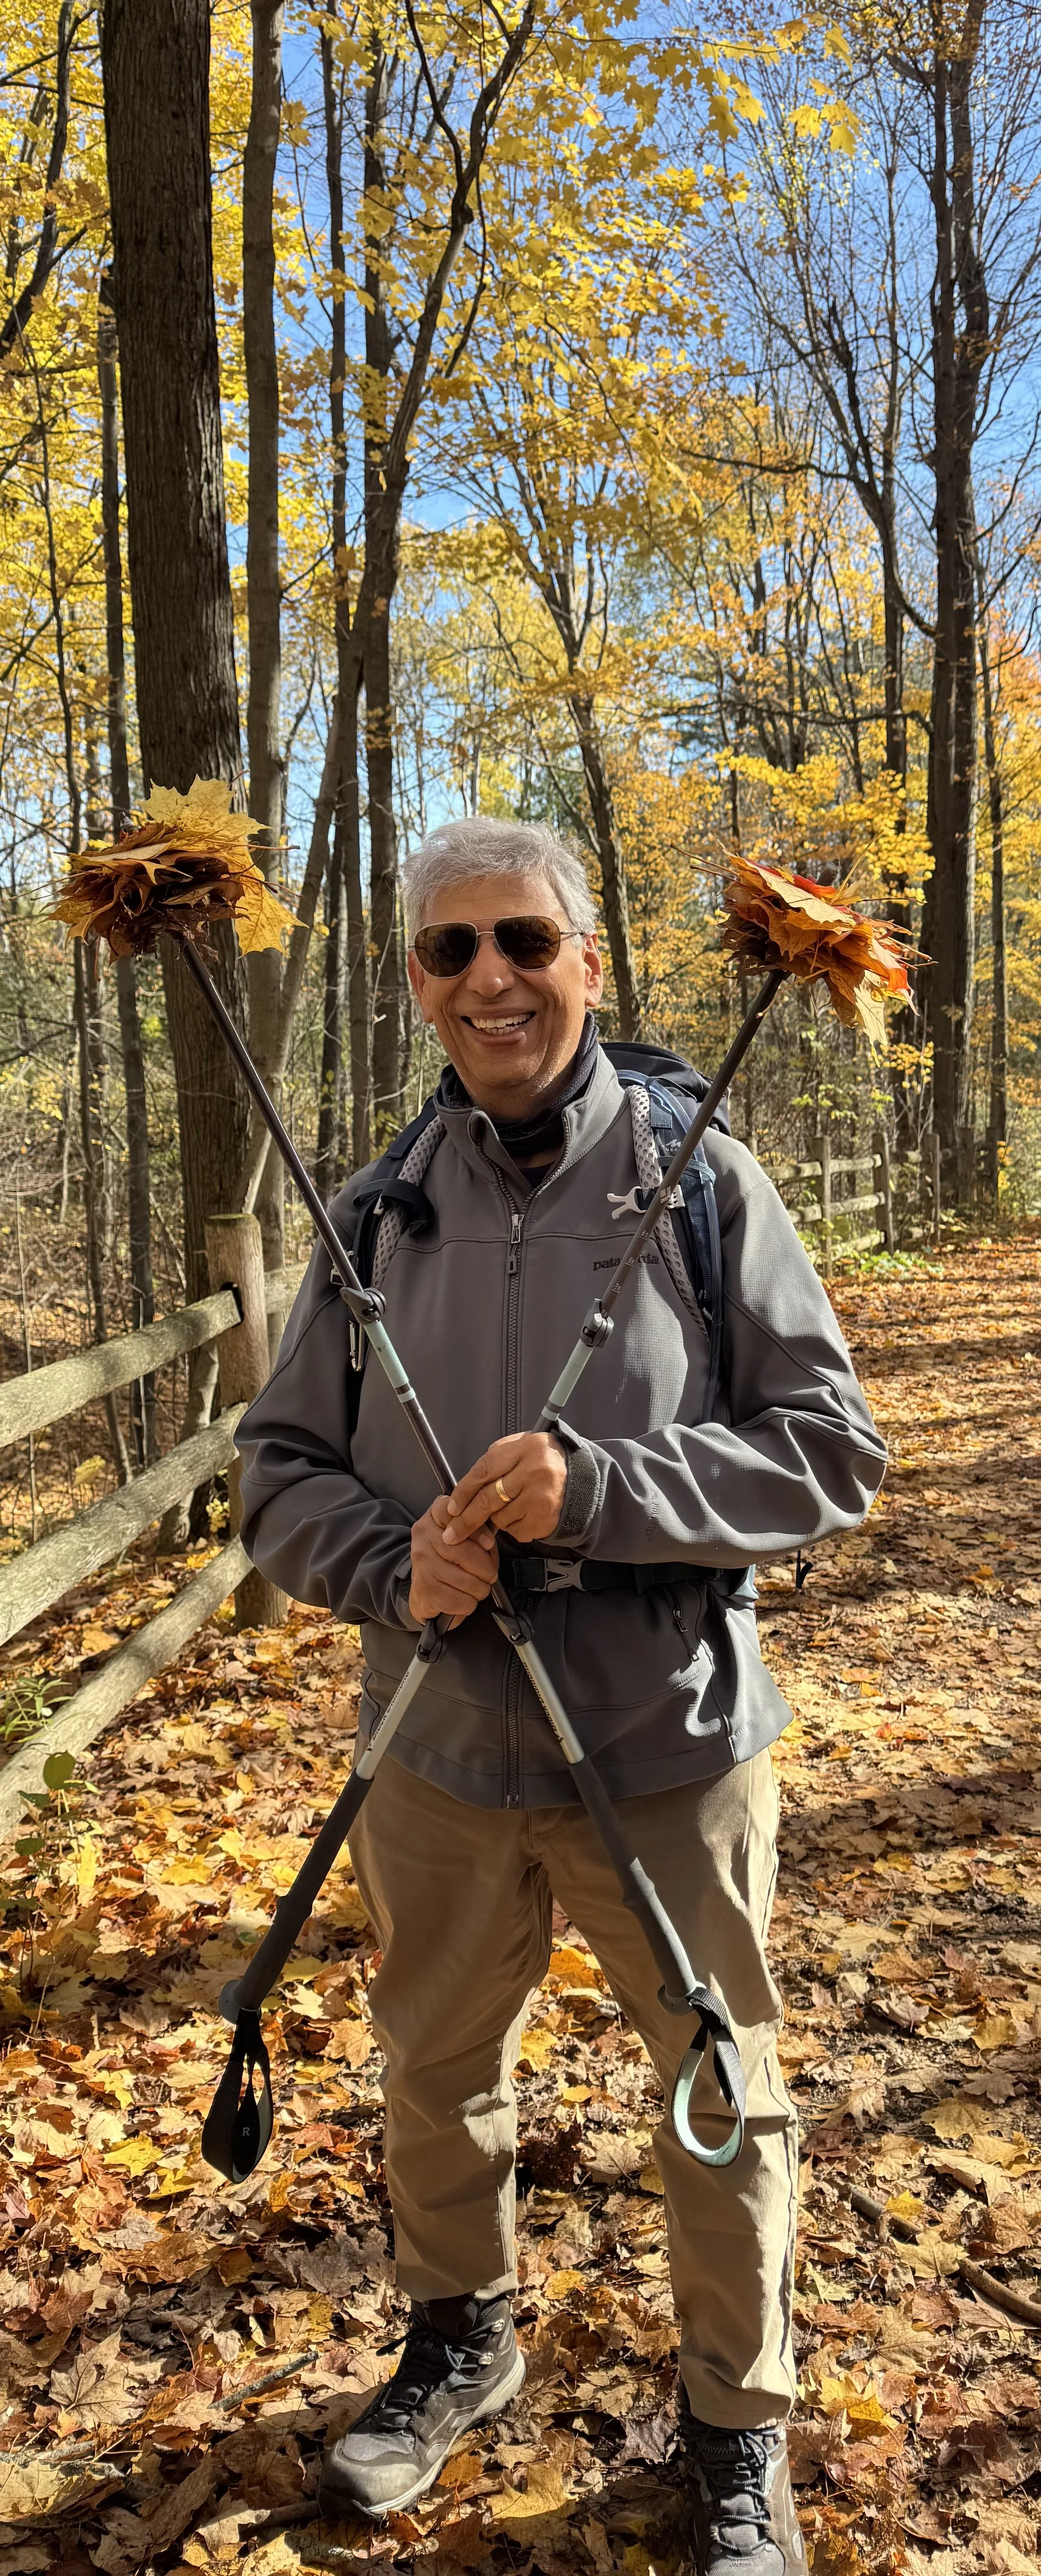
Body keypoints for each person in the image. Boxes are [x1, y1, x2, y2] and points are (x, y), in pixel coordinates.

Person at [236, 817, 886, 2576]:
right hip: (438, 1757)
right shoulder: (377, 1209)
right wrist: (396, 1563)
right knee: (434, 2074)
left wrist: (602, 1492)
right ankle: (462, 2332)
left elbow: (831, 1450)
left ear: (587, 964)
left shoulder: (699, 1185)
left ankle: (737, 2428)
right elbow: (279, 1466)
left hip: (664, 1750)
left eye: (521, 940)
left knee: (714, 2088)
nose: (489, 979)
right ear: (421, 989)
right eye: (448, 953)